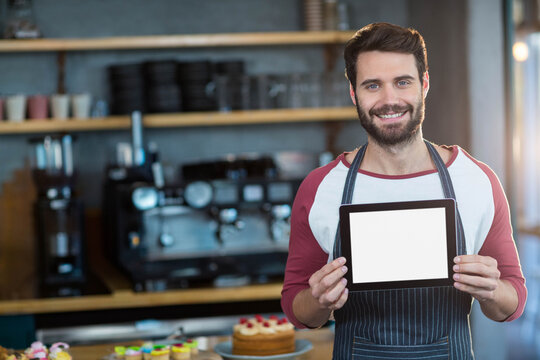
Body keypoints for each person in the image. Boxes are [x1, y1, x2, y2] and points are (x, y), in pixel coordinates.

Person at [281, 22, 527, 359]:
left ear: (424, 85)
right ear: (354, 93)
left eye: (402, 82)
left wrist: (491, 290)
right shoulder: (321, 187)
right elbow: (298, 309)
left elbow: (510, 303)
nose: (389, 99)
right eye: (372, 85)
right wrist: (318, 300)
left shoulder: (475, 180)